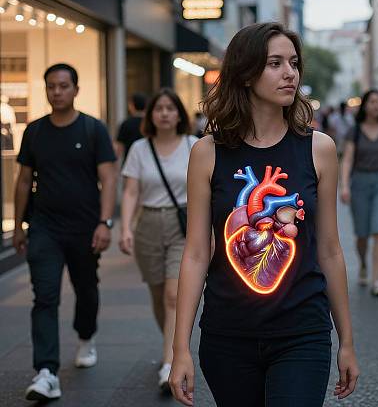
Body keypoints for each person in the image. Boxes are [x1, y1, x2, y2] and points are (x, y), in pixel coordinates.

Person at [169, 22, 359, 406]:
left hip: (303, 332)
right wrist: (180, 350)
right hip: (227, 335)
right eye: (274, 63)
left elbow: (330, 250)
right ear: (245, 72)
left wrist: (347, 342)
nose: (290, 73)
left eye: (293, 62)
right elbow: (196, 253)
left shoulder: (318, 149)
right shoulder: (208, 152)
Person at [13, 63, 117, 401]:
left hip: (85, 229)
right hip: (44, 227)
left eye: (63, 86)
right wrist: (17, 226)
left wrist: (104, 222)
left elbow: (109, 178)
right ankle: (46, 372)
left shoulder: (92, 129)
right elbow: (25, 180)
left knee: (86, 289)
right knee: (44, 297)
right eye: (51, 87)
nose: (57, 92)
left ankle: (86, 336)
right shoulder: (35, 132)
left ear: (75, 89)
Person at [120, 89, 197, 391]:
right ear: (150, 115)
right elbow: (130, 192)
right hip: (148, 224)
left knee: (173, 296)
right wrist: (125, 227)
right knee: (157, 296)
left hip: (184, 224)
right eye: (158, 109)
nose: (164, 113)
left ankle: (170, 362)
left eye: (170, 108)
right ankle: (172, 345)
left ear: (180, 114)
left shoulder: (193, 146)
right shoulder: (140, 148)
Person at [340, 90, 378, 296]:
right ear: (364, 106)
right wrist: (344, 186)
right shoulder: (354, 131)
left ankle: (376, 280)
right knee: (362, 234)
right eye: (372, 102)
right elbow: (347, 160)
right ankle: (363, 263)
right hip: (360, 183)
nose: (375, 106)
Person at [115, 92, 146, 161]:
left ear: (132, 105)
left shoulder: (126, 124)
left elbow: (118, 149)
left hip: (130, 162)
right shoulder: (150, 122)